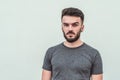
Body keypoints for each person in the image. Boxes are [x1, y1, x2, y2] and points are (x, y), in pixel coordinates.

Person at [41, 7, 103, 80]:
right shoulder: (51, 52)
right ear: (62, 27)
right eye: (66, 25)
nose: (70, 29)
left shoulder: (94, 54)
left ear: (82, 28)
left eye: (75, 25)